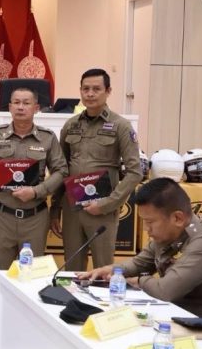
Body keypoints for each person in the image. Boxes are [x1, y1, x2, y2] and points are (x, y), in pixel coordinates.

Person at [78, 177, 202, 335]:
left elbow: (164, 291)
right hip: (188, 323)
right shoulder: (171, 233)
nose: (146, 229)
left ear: (177, 218)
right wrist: (110, 271)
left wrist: (134, 281)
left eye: (150, 222)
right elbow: (139, 263)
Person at [51, 68, 142, 271]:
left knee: (103, 269)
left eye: (96, 89)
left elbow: (135, 172)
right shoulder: (70, 125)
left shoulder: (121, 126)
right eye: (86, 89)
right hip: (73, 208)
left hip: (102, 209)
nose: (90, 94)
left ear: (108, 91)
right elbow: (61, 170)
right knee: (73, 269)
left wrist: (107, 204)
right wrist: (55, 210)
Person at [0, 86, 67, 268]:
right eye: (16, 102)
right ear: (10, 107)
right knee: (1, 273)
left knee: (31, 275)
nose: (20, 107)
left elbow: (61, 171)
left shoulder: (47, 137)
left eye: (26, 103)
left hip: (34, 218)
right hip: (1, 216)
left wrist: (37, 191)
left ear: (36, 108)